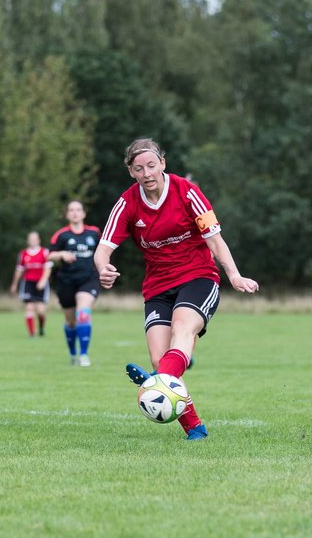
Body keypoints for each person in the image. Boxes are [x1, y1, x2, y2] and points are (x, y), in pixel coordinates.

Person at [95, 138, 259, 440]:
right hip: (158, 286)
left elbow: (214, 240)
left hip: (199, 277)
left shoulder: (188, 192)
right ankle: (194, 425)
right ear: (131, 172)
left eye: (151, 165)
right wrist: (103, 267)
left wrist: (234, 275)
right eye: (139, 168)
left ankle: (160, 379)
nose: (147, 173)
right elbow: (103, 247)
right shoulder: (128, 203)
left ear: (163, 163)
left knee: (182, 329)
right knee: (161, 358)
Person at [49, 200, 101, 366]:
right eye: (71, 210)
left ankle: (84, 355)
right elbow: (48, 255)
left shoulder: (94, 233)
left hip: (88, 280)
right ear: (67, 214)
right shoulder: (61, 235)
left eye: (78, 210)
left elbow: (104, 251)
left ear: (84, 214)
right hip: (66, 282)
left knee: (83, 314)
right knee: (71, 321)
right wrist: (62, 254)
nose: (75, 213)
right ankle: (73, 353)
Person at [9, 231, 51, 337]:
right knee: (29, 307)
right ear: (28, 241)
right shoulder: (23, 254)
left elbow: (48, 269)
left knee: (41, 311)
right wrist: (14, 284)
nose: (33, 241)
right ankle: (32, 333)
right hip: (28, 283)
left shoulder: (44, 252)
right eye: (30, 239)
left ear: (39, 240)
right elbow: (19, 270)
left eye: (34, 239)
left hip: (41, 284)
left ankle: (41, 328)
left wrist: (43, 281)